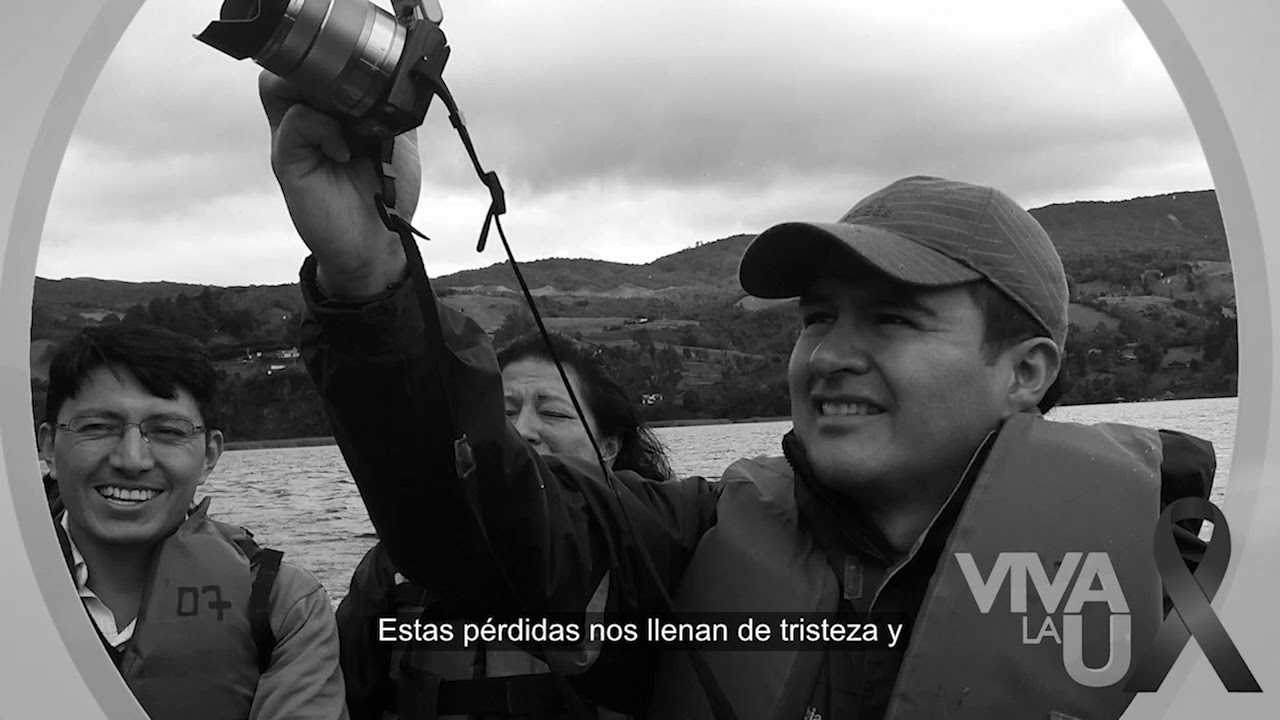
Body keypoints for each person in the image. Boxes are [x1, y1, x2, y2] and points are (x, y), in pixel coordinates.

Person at [258, 70, 1217, 720]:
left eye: (891, 319)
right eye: (816, 316)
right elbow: (480, 525)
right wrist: (367, 267)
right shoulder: (688, 541)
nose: (829, 354)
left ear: (1028, 372)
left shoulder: (1186, 577)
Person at [336, 332, 672, 720]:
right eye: (502, 415)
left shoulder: (655, 555)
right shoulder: (394, 567)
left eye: (554, 414)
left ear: (609, 447)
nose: (522, 431)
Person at [38, 323, 349, 720]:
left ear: (209, 455)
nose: (132, 459)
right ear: (48, 445)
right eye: (97, 427)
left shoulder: (283, 605)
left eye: (167, 431)